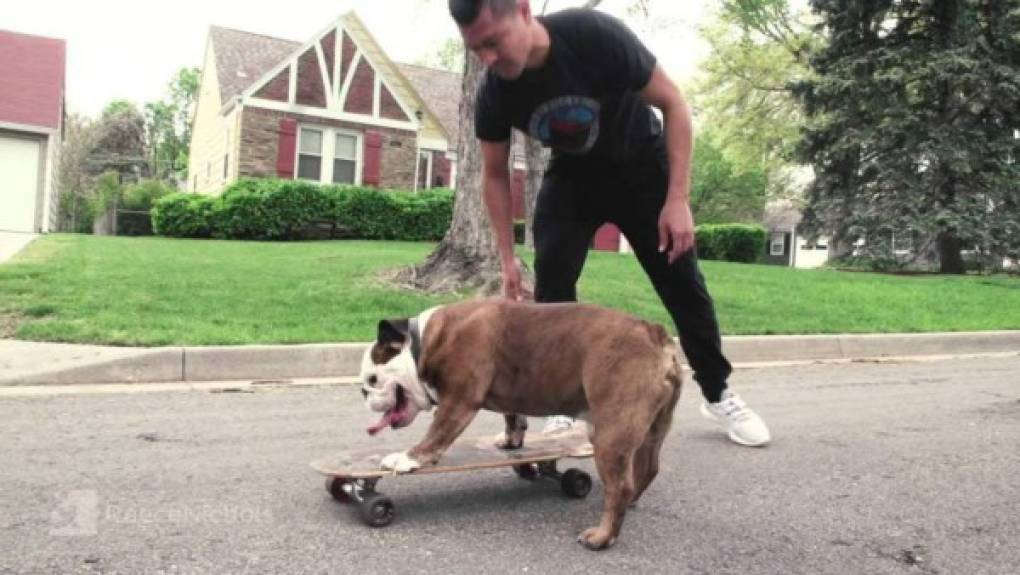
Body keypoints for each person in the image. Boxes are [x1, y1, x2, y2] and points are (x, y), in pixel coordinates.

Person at [448, 0, 771, 447]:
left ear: (522, 11)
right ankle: (560, 407)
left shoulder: (592, 34)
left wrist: (677, 199)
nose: (488, 59)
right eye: (475, 49)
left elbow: (674, 103)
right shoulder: (495, 90)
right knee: (552, 292)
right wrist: (506, 256)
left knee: (681, 284)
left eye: (492, 43)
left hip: (641, 168)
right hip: (574, 179)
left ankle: (718, 392)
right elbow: (495, 173)